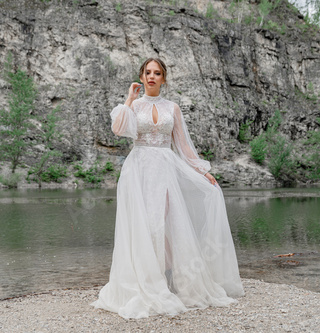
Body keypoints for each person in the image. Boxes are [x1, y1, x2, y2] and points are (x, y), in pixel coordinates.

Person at [91, 58, 244, 319]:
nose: (152, 76)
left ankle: (167, 280)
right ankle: (146, 282)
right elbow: (118, 129)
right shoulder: (134, 106)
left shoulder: (172, 108)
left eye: (157, 73)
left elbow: (183, 146)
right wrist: (129, 98)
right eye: (148, 72)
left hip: (164, 168)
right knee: (141, 226)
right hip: (137, 169)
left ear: (164, 78)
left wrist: (202, 171)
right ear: (141, 76)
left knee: (163, 224)